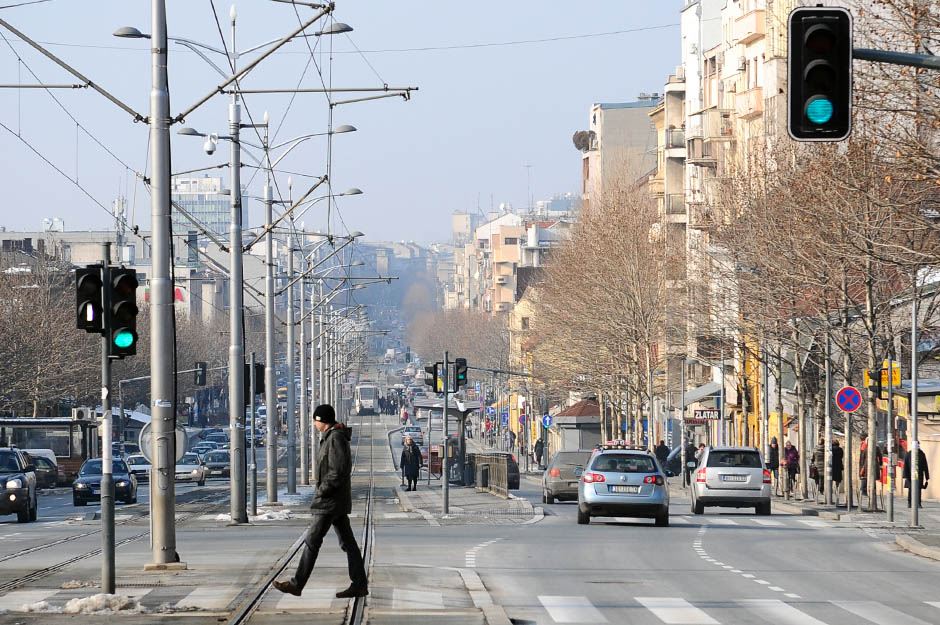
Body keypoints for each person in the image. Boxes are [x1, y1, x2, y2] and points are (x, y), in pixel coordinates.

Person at [274, 404, 368, 598]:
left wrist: (323, 490)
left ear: (322, 421)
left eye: (316, 420)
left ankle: (297, 584)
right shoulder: (332, 437)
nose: (314, 424)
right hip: (335, 500)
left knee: (312, 542)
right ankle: (359, 583)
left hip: (330, 501)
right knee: (348, 543)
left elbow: (338, 471)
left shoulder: (335, 439)